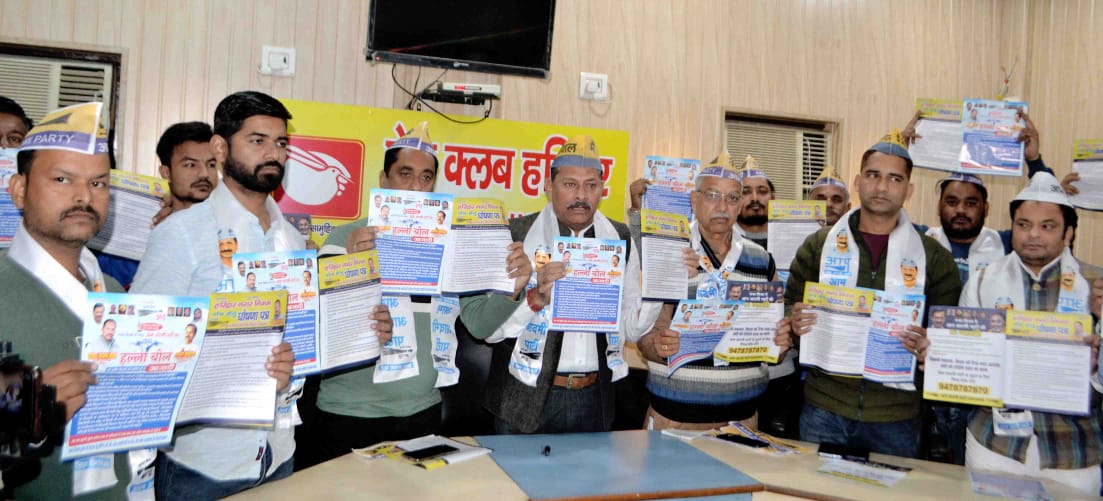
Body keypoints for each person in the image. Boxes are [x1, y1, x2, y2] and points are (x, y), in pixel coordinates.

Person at [130, 91, 320, 499]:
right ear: (220, 147)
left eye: (281, 143)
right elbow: (144, 349)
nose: (273, 154)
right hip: (205, 463)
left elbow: (303, 337)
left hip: (279, 452)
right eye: (257, 140)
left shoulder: (293, 239)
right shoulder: (181, 233)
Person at [305, 122, 527, 468]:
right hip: (348, 414)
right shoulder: (344, 239)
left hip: (423, 412)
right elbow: (319, 330)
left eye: (426, 178)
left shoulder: (451, 243)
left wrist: (513, 288)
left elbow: (480, 326)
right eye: (405, 174)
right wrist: (352, 266)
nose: (415, 187)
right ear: (383, 180)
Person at [461, 135, 660, 434]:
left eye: (591, 185)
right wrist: (534, 298)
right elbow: (490, 333)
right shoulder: (514, 235)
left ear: (602, 189)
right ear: (548, 186)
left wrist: (660, 283)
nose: (581, 195)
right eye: (569, 184)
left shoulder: (620, 239)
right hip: (522, 400)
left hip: (594, 399)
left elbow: (631, 329)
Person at [787, 130, 962, 458]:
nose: (882, 187)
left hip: (896, 417)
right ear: (857, 182)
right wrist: (794, 322)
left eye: (894, 179)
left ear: (908, 190)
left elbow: (949, 333)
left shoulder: (933, 257)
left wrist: (932, 344)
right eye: (873, 175)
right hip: (825, 408)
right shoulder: (819, 245)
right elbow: (789, 305)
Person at [943, 172, 1103, 495]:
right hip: (994, 445)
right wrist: (941, 356)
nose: (1033, 235)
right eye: (1023, 224)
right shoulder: (983, 281)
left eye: (1047, 226)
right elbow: (966, 363)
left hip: (1072, 451)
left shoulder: (1095, 286)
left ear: (1068, 233)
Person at [0, 101, 130, 499]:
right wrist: (22, 411)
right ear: (19, 190)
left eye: (98, 183)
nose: (83, 196)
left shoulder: (114, 290)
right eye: (61, 179)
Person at [634, 151, 792, 431]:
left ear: (740, 204)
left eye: (732, 198)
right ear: (694, 200)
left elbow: (774, 347)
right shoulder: (670, 250)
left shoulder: (762, 261)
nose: (722, 206)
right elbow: (645, 336)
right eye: (712, 196)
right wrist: (659, 347)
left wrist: (779, 343)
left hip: (742, 420)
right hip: (675, 418)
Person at [97, 122, 221, 288]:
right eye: (190, 165)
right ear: (166, 172)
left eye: (211, 165)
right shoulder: (135, 233)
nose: (204, 174)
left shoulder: (233, 225)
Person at [735, 155, 773, 248]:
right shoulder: (722, 238)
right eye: (745, 192)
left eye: (762, 191)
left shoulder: (787, 238)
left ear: (773, 198)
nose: (755, 198)